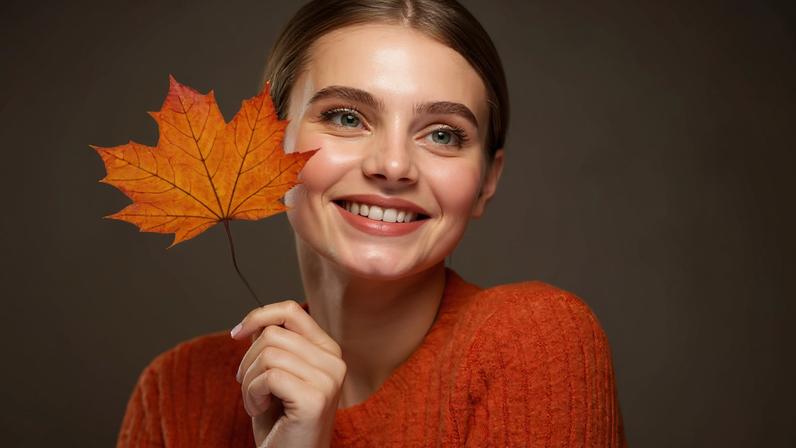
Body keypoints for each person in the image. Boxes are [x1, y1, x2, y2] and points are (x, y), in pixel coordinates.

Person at [116, 0, 627, 446]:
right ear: (268, 144)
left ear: (487, 181)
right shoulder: (175, 392)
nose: (394, 165)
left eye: (443, 134)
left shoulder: (534, 343)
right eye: (346, 117)